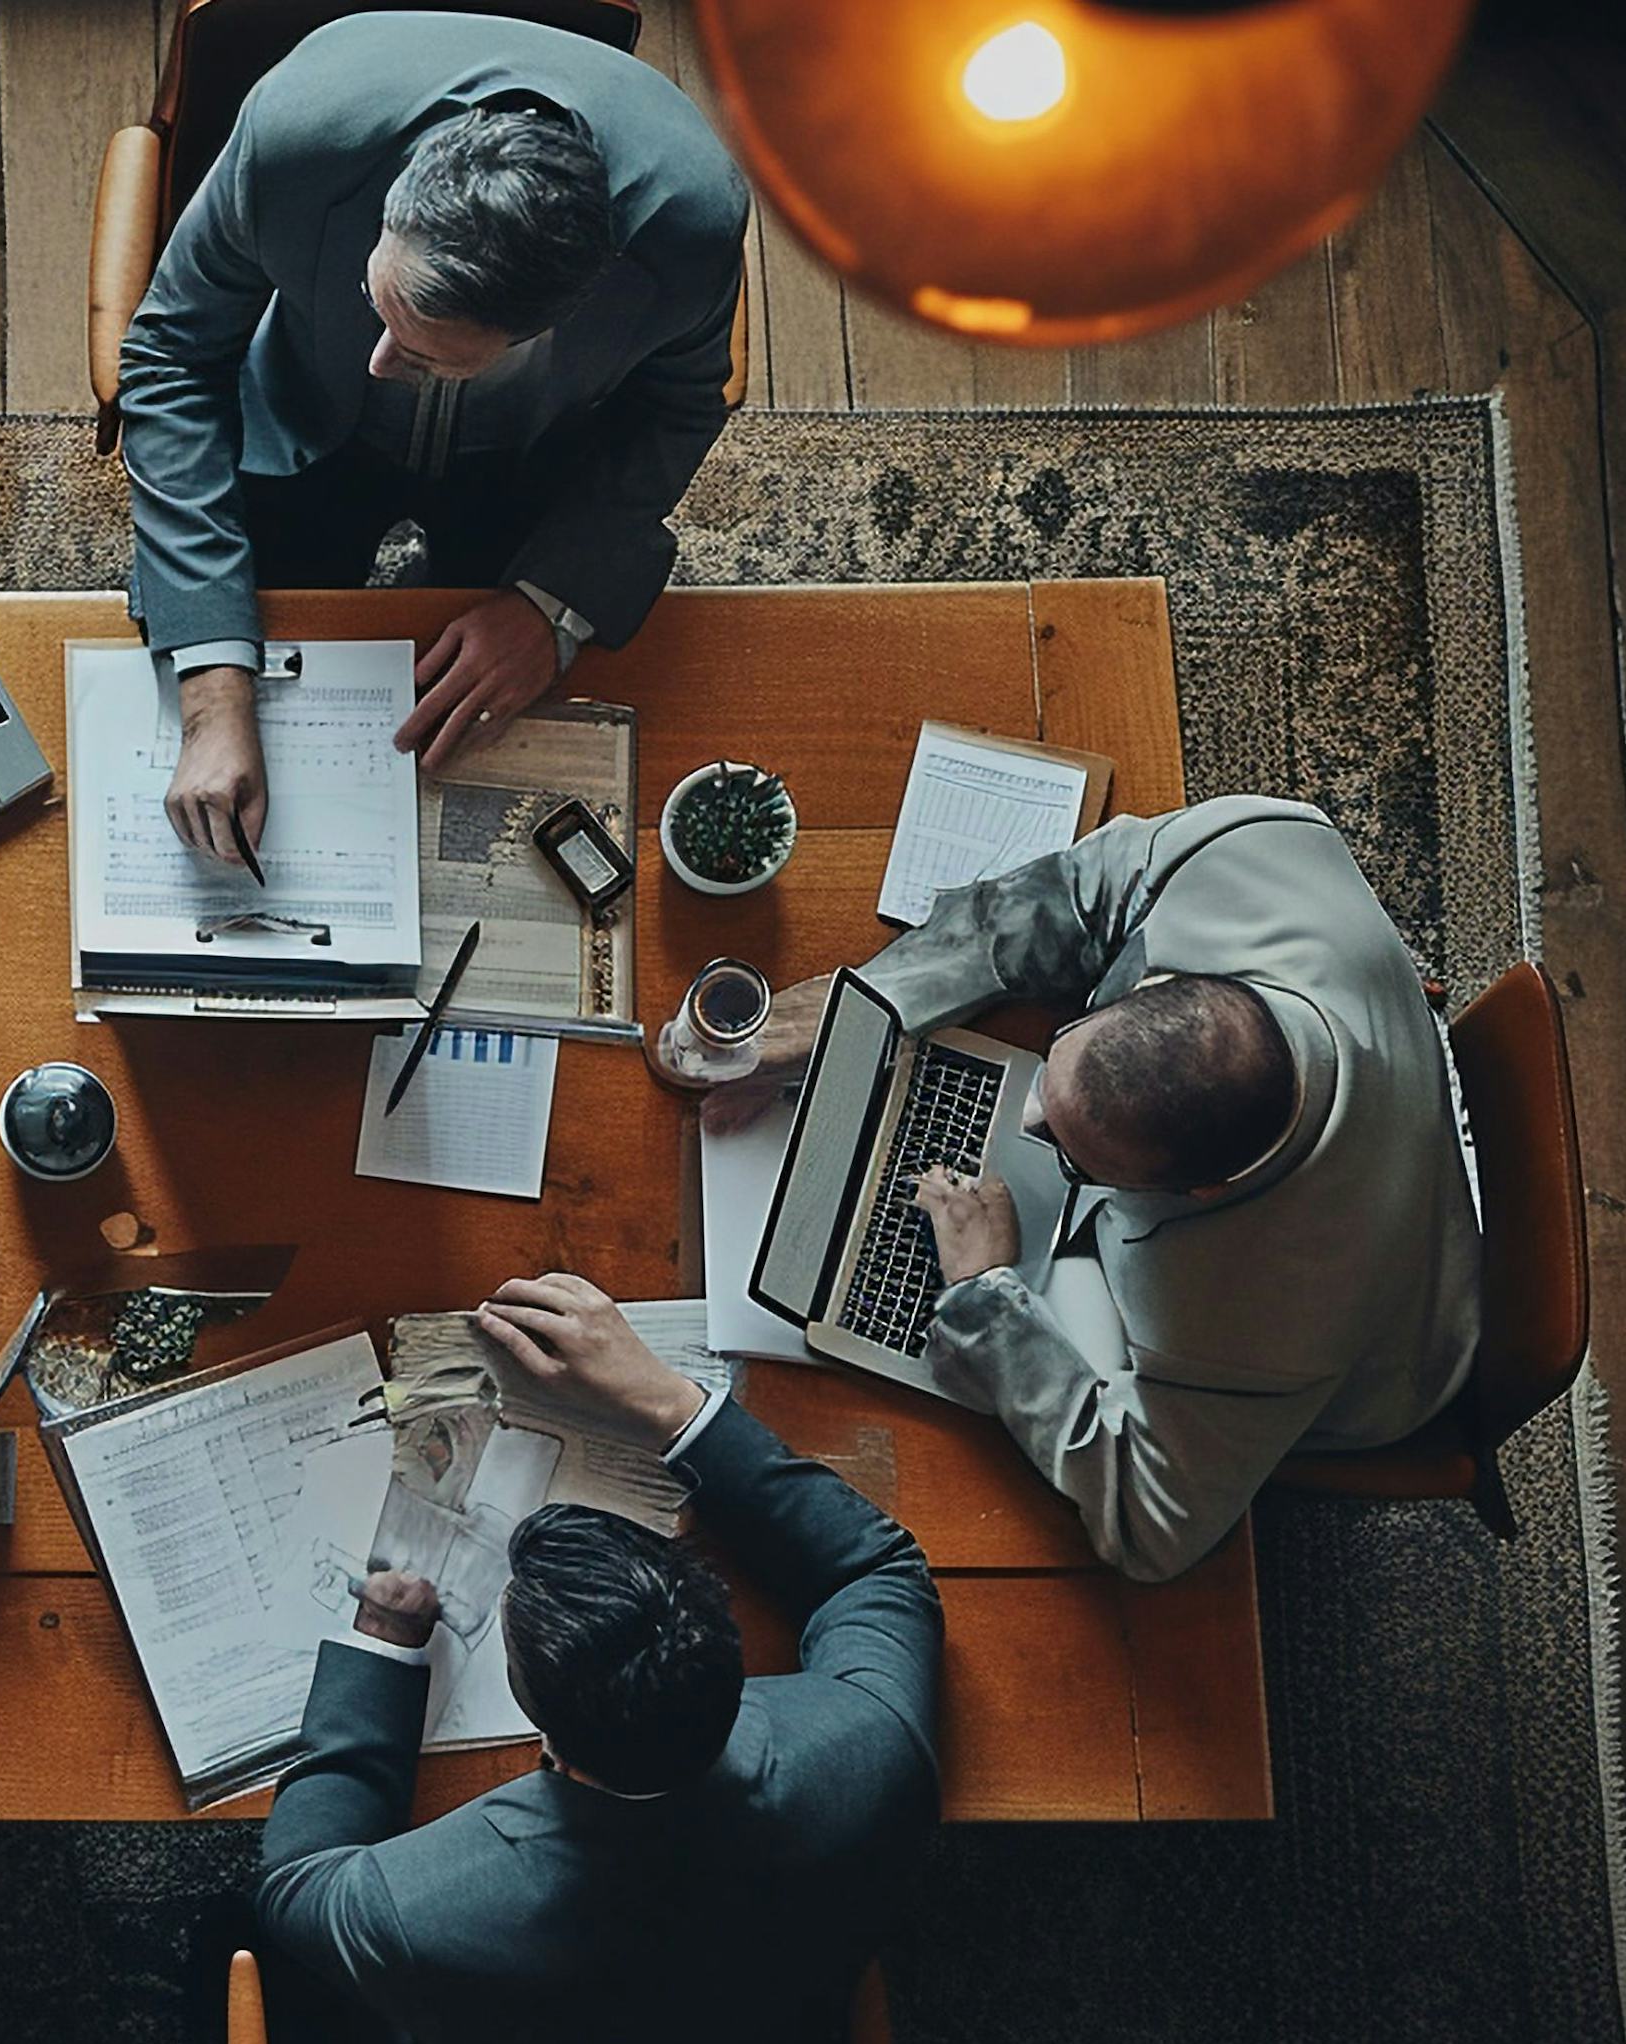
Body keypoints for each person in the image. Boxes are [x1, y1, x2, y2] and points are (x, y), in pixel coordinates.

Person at [252, 1271, 940, 2044]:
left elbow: (296, 1878)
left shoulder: (425, 1909)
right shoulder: (866, 1753)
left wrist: (387, 1644)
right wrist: (669, 1404)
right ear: (727, 1650)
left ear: (543, 1717)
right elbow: (874, 1573)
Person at [718, 794, 1484, 1579]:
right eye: (1052, 1077)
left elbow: (1153, 1531)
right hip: (1382, 1116)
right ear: (1159, 985)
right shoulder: (1255, 845)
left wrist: (988, 1297)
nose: (1022, 1120)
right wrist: (871, 1012)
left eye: (1072, 1155)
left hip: (1383, 1357)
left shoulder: (1262, 1321)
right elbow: (1068, 897)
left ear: (1201, 1195)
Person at [117, 13, 747, 868]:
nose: (380, 363)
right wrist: (214, 693)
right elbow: (172, 356)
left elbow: (678, 408)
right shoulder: (295, 137)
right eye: (379, 308)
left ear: (547, 324)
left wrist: (548, 602)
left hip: (530, 463)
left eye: (421, 354)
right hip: (299, 424)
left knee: (512, 730)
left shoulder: (692, 224)